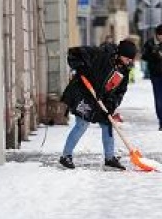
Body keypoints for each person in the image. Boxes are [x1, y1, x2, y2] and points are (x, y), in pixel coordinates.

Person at [59, 39, 137, 170]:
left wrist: (111, 105)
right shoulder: (102, 54)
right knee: (82, 124)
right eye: (127, 58)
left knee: (108, 124)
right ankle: (66, 156)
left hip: (101, 100)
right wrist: (80, 67)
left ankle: (109, 158)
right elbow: (75, 52)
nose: (129, 62)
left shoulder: (124, 71)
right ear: (119, 54)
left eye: (131, 59)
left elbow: (120, 92)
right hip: (84, 93)